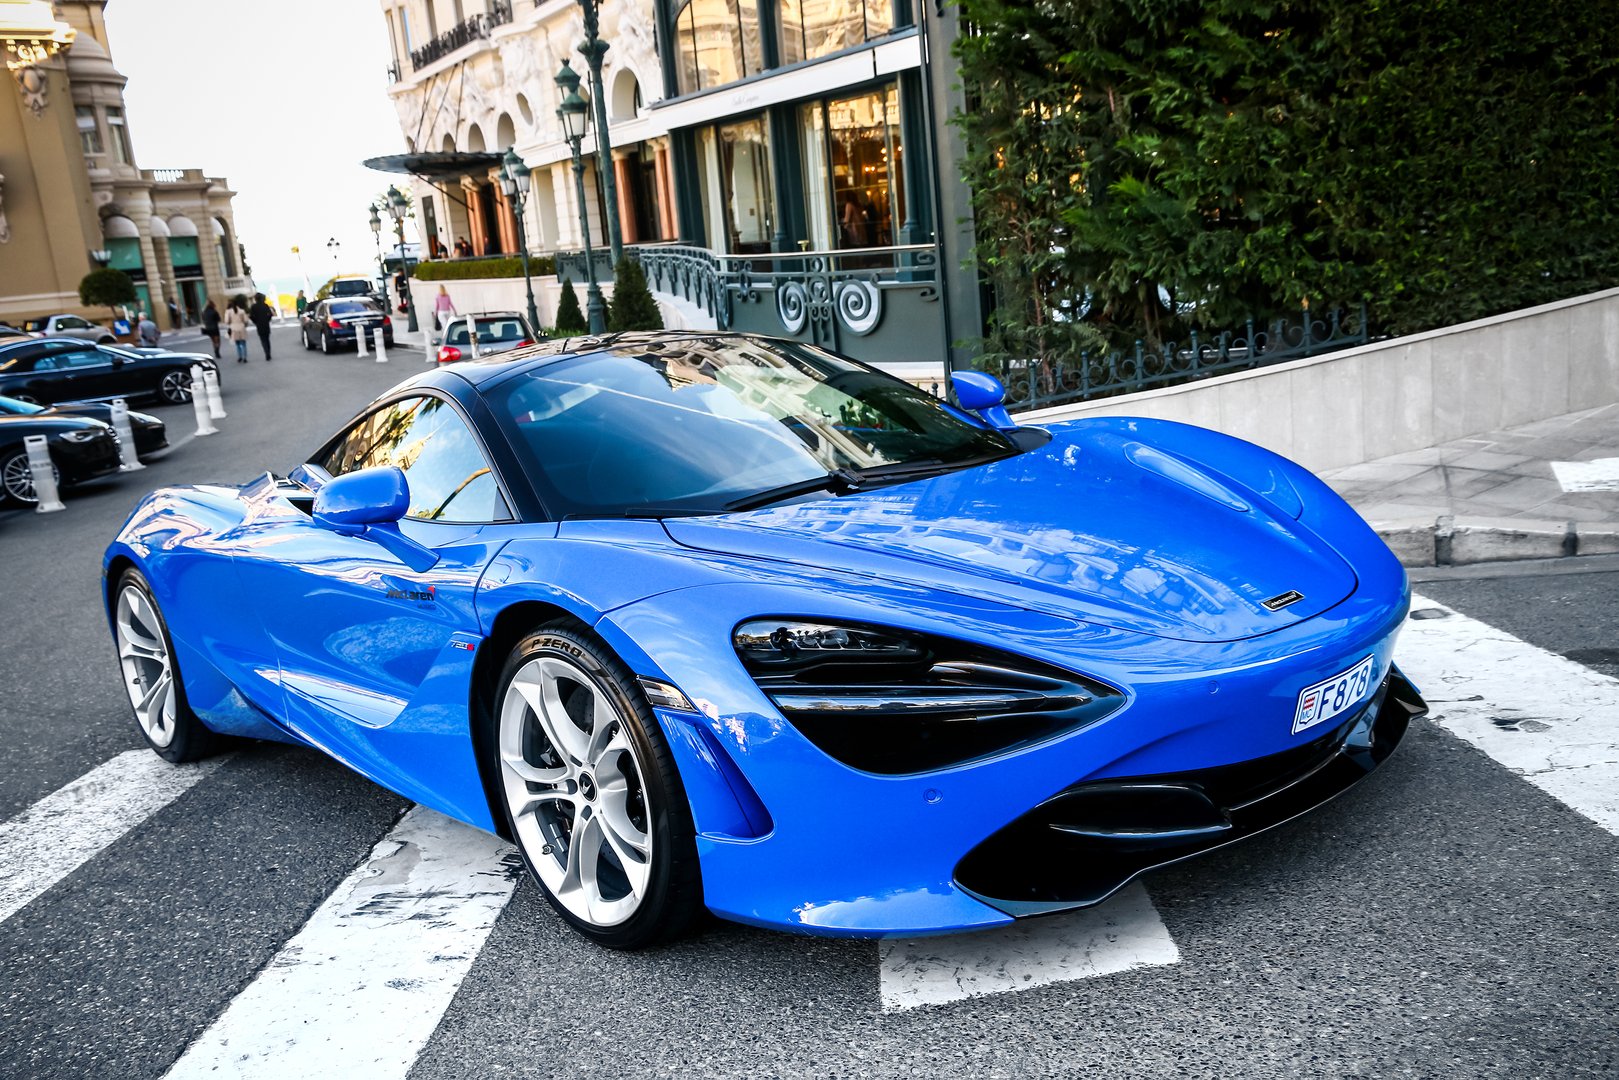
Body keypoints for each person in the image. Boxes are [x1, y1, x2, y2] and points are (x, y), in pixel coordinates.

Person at [248, 292, 274, 360]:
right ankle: (268, 353)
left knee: (263, 340)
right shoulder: (265, 305)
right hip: (266, 324)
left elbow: (250, 316)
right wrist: (267, 320)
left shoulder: (253, 306)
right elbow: (270, 314)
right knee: (267, 339)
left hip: (259, 325)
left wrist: (255, 321)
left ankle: (266, 353)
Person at [224, 298, 250, 363]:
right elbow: (246, 320)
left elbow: (226, 321)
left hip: (233, 329)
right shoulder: (242, 311)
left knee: (237, 344)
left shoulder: (228, 311)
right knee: (243, 344)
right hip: (241, 327)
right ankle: (245, 358)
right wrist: (245, 325)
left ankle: (240, 357)